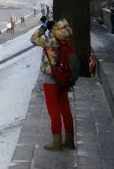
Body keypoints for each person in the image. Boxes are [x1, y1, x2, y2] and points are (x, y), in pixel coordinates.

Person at [30, 18, 81, 151]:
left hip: (50, 80)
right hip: (62, 79)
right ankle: (69, 141)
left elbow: (33, 38)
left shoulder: (50, 43)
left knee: (54, 111)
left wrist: (44, 27)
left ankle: (56, 142)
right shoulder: (66, 44)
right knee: (65, 109)